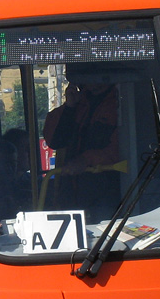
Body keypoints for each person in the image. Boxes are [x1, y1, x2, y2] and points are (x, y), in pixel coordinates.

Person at [42, 82, 120, 220]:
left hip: (110, 194)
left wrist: (86, 160)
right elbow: (54, 140)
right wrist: (69, 107)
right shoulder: (78, 103)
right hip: (71, 194)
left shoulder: (121, 102)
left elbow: (124, 148)